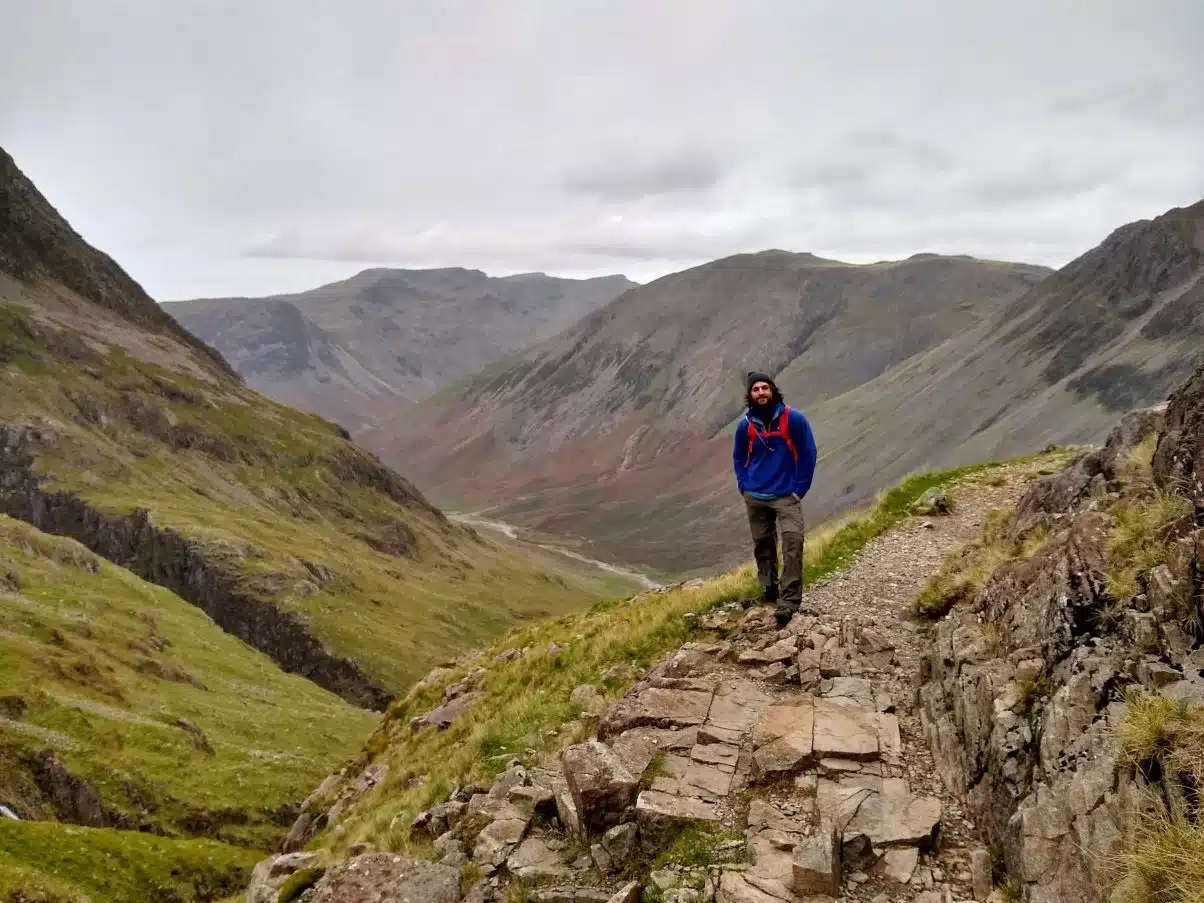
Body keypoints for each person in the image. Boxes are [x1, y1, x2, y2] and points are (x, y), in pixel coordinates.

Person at [733, 371, 818, 626]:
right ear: (750, 395)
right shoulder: (745, 425)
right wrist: (744, 484)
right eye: (756, 389)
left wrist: (798, 489)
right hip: (755, 494)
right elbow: (738, 457)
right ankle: (769, 589)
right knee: (763, 544)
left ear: (773, 390)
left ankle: (789, 602)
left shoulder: (794, 419)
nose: (761, 393)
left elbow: (808, 452)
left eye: (764, 388)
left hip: (785, 495)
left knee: (793, 543)